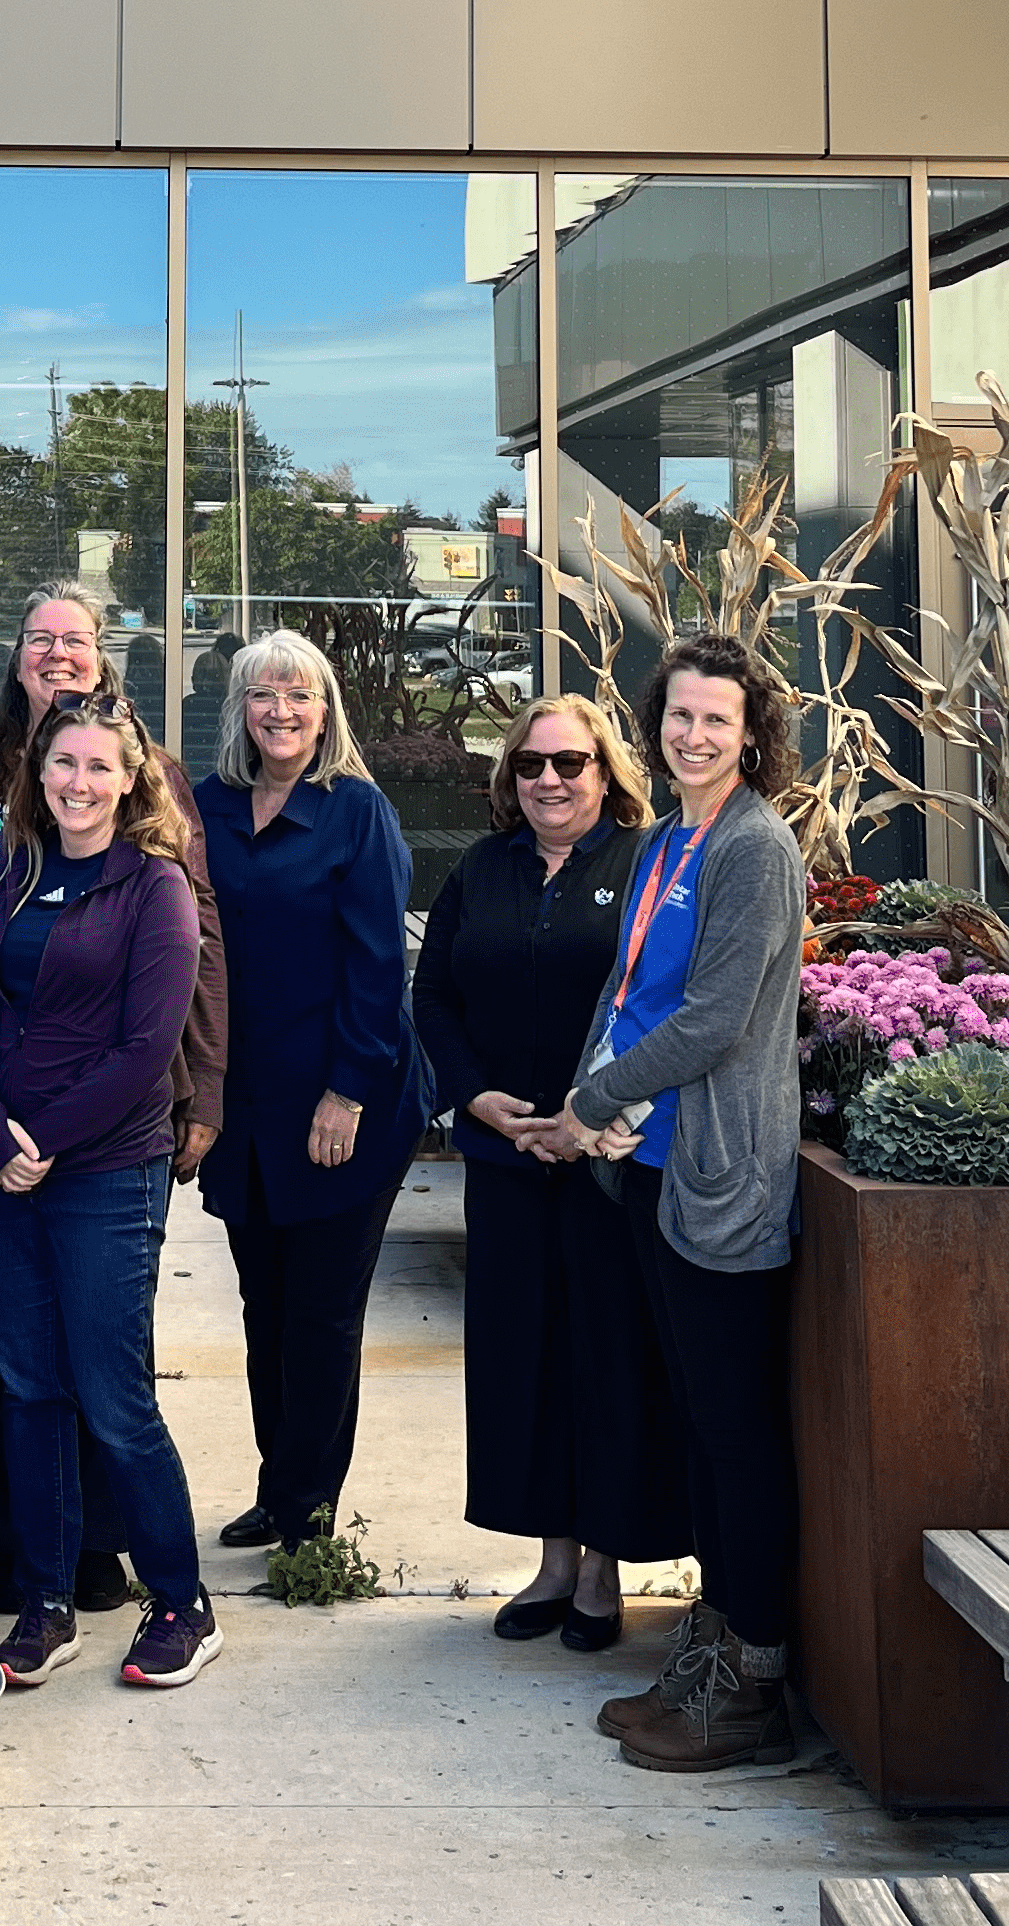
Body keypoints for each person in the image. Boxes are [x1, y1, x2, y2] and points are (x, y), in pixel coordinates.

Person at [527, 630, 808, 1775]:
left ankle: (756, 1681)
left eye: (715, 720)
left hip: (721, 1177)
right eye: (679, 715)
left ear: (752, 736)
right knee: (696, 1425)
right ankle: (710, 1644)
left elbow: (718, 1018)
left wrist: (592, 1090)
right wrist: (583, 1104)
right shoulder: (660, 839)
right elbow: (628, 984)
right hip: (644, 1167)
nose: (692, 734)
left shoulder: (753, 847)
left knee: (736, 1434)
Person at [0, 580, 227, 1614]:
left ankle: (166, 1590)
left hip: (99, 1151)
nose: (77, 777)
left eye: (96, 762)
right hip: (3, 1150)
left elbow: (156, 1024)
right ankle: (39, 1576)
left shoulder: (151, 870)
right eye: (61, 761)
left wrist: (202, 1085)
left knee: (111, 1389)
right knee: (22, 1377)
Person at [411, 692, 686, 1652]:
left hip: (610, 1159)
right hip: (503, 1156)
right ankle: (553, 1560)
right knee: (522, 1358)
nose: (551, 780)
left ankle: (606, 1569)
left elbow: (665, 1001)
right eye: (531, 765)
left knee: (605, 1357)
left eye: (571, 763)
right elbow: (433, 990)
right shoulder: (483, 869)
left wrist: (587, 1116)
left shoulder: (646, 863)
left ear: (607, 773)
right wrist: (474, 1097)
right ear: (510, 779)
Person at [194, 629, 433, 1564]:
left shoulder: (356, 812)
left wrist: (348, 1093)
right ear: (239, 709)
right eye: (263, 695)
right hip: (248, 1106)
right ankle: (276, 1483)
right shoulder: (205, 806)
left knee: (323, 1311)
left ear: (325, 710)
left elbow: (380, 967)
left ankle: (308, 1511)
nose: (281, 711)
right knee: (263, 1303)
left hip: (348, 1098)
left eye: (299, 695)